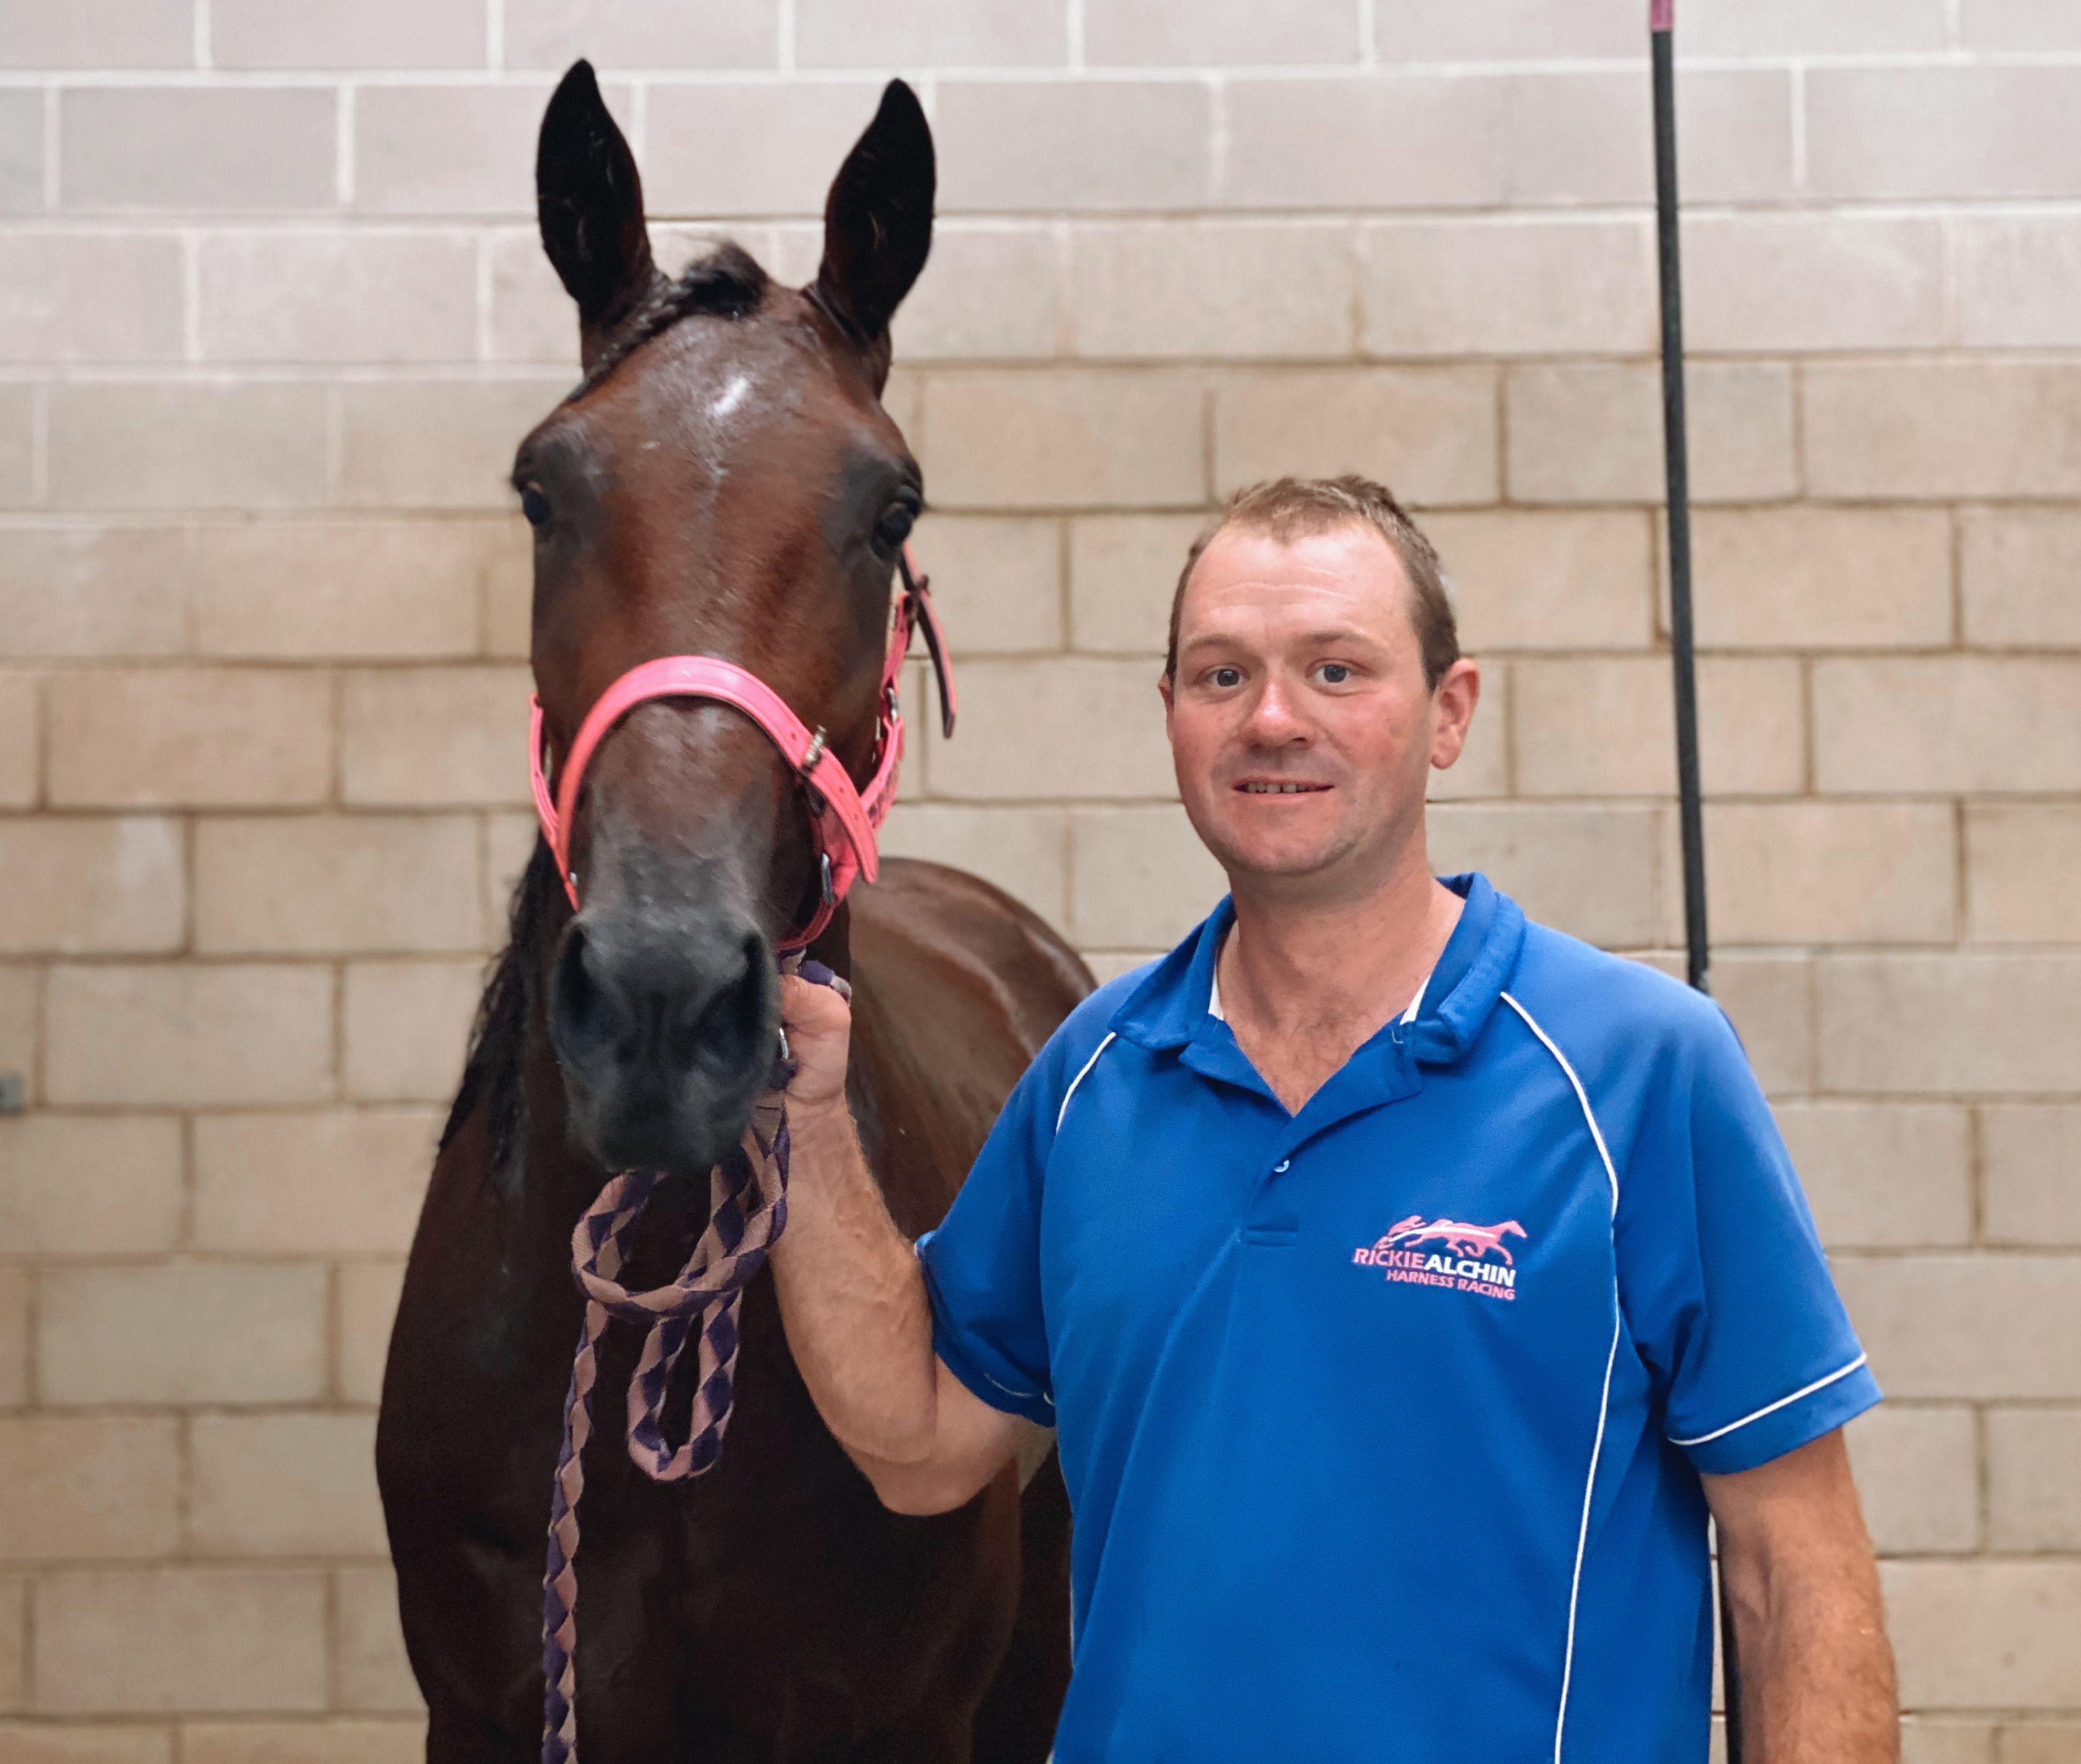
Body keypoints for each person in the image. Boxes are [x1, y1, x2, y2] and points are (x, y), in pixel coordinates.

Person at [769, 476, 1898, 1763]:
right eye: (1220, 676)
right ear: (1171, 718)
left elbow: (1792, 1569)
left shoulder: (1639, 1071)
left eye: (1336, 670)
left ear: (1447, 714)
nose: (1271, 720)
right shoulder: (1096, 1076)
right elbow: (919, 1447)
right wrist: (801, 1121)